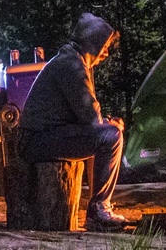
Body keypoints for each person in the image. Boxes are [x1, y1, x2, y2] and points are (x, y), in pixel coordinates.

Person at [21, 13, 127, 231]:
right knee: (112, 137)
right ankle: (99, 210)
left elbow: (85, 116)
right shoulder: (72, 66)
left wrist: (104, 121)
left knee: (109, 132)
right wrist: (108, 124)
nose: (106, 53)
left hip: (44, 136)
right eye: (104, 45)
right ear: (92, 42)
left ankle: (99, 207)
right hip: (38, 140)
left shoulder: (72, 60)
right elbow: (89, 118)